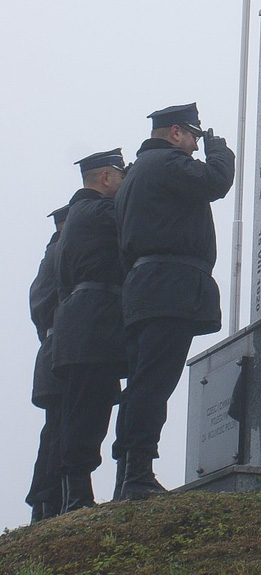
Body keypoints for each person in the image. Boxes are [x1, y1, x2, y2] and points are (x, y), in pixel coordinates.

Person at [114, 102, 235, 500]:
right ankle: (137, 475)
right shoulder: (166, 164)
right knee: (154, 383)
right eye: (195, 138)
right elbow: (215, 181)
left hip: (146, 288)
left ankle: (128, 475)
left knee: (143, 382)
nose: (196, 148)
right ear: (176, 132)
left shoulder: (134, 174)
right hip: (169, 288)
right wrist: (220, 151)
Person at [53, 149, 128, 512]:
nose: (126, 183)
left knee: (85, 411)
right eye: (123, 175)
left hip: (80, 326)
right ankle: (78, 498)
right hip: (92, 325)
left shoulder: (77, 216)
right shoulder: (98, 212)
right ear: (106, 178)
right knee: (87, 414)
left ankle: (77, 495)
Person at [26, 205, 70, 523]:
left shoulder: (50, 258)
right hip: (62, 350)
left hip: (52, 351)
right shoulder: (60, 256)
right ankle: (49, 501)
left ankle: (44, 503)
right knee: (61, 429)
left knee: (55, 429)